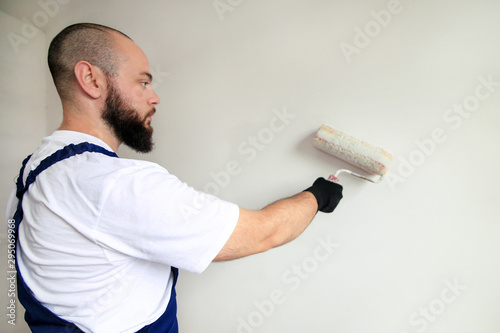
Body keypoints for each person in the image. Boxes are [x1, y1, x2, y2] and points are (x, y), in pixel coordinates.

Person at [6, 23, 343, 333]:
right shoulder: (111, 183)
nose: (154, 97)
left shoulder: (33, 172)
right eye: (142, 81)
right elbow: (264, 232)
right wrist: (319, 195)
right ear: (92, 80)